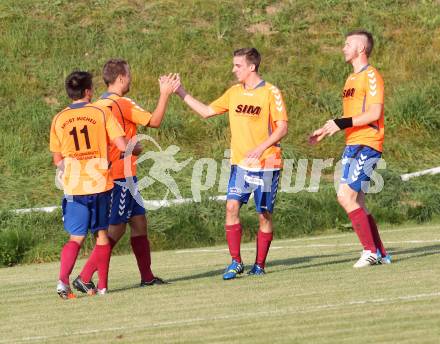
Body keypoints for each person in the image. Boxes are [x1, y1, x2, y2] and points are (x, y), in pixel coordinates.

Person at [175, 48, 288, 279]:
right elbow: (207, 111)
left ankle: (259, 265)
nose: (233, 69)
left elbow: (282, 127)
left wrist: (261, 147)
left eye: (238, 65)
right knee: (231, 207)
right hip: (240, 165)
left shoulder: (270, 92)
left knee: (264, 215)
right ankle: (236, 262)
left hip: (267, 163)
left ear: (251, 67)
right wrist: (180, 92)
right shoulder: (234, 92)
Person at [73, 59, 180, 290]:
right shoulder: (121, 103)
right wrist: (165, 94)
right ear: (121, 78)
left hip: (114, 174)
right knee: (117, 228)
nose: (130, 80)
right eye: (129, 76)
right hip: (121, 176)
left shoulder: (98, 104)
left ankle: (147, 276)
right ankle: (84, 276)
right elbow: (154, 121)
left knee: (139, 222)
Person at [309, 30, 391, 268]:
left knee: (345, 196)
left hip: (367, 143)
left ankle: (369, 251)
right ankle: (381, 253)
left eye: (348, 44)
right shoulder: (350, 79)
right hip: (352, 144)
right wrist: (326, 130)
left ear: (361, 49)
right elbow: (350, 116)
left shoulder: (371, 75)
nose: (343, 47)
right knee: (359, 202)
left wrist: (341, 123)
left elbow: (374, 113)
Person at [50, 71, 127, 298]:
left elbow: (58, 160)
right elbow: (122, 146)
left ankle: (63, 282)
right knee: (101, 235)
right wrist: (136, 148)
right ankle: (102, 286)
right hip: (100, 184)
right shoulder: (101, 112)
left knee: (76, 237)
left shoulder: (59, 119)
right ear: (88, 92)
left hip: (74, 187)